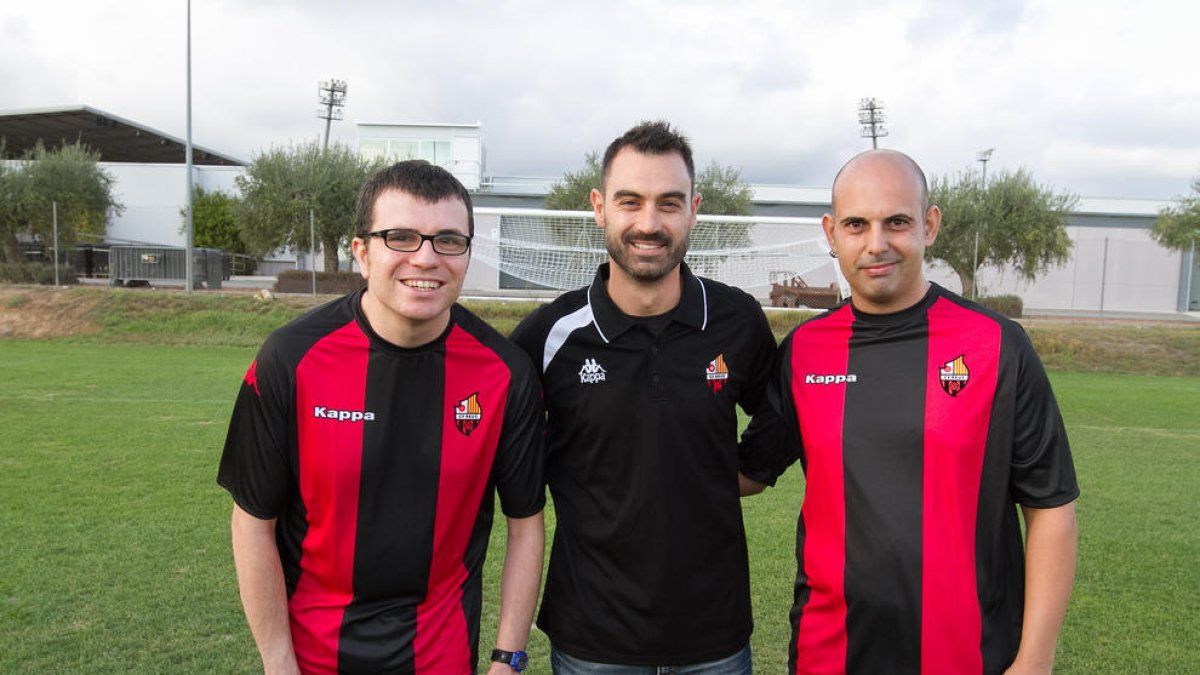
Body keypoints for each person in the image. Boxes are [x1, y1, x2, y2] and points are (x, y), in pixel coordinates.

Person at [739, 149, 1079, 675]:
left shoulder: (998, 346)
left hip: (971, 657)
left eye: (896, 221)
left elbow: (1051, 508)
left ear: (930, 224)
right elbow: (750, 471)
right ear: (831, 233)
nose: (877, 244)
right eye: (856, 224)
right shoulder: (805, 352)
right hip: (830, 655)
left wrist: (1035, 659)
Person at [218, 160, 545, 674]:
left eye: (448, 240)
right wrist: (278, 665)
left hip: (442, 658)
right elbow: (253, 522)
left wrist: (508, 660)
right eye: (401, 237)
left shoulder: (505, 372)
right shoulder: (290, 359)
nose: (426, 258)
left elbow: (526, 524)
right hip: (314, 658)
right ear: (362, 253)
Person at [510, 121, 776, 673]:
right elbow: (493, 432)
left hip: (716, 639)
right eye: (630, 202)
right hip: (590, 641)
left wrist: (731, 474)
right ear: (600, 207)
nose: (649, 224)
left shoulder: (736, 321)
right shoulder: (550, 334)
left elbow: (781, 417)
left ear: (694, 209)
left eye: (669, 203)